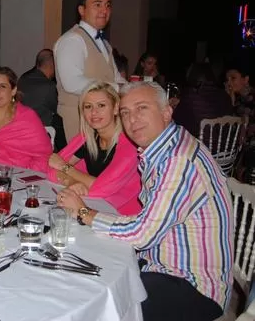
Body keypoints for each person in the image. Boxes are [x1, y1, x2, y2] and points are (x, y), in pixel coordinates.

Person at [59, 81, 233, 321]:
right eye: (126, 112)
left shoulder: (178, 161)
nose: (132, 119)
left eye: (142, 108)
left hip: (193, 285)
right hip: (157, 262)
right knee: (86, 274)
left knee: (104, 309)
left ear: (166, 112)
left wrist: (84, 213)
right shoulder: (163, 147)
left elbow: (142, 234)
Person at [46, 81, 141, 215]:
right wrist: (72, 182)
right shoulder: (87, 138)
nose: (94, 112)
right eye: (88, 106)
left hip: (123, 215)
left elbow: (103, 187)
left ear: (115, 108)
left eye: (101, 105)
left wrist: (64, 167)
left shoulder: (129, 145)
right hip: (92, 205)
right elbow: (51, 169)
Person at [54, 0, 126, 142]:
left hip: (101, 122)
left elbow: (115, 77)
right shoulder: (72, 40)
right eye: (97, 5)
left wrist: (131, 89)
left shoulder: (105, 44)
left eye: (107, 5)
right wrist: (116, 88)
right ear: (82, 10)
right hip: (77, 120)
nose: (104, 10)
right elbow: (72, 83)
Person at [17, 48, 66, 151]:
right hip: (41, 131)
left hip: (21, 129)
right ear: (52, 65)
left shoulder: (23, 78)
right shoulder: (49, 86)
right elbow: (58, 108)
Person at [173, 62, 233, 137]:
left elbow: (176, 121)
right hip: (223, 142)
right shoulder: (225, 95)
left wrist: (174, 108)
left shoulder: (190, 96)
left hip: (198, 142)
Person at [225, 65, 255, 181]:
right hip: (239, 147)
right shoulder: (237, 98)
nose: (229, 83)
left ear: (245, 79)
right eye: (227, 79)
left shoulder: (251, 98)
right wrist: (230, 100)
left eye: (233, 78)